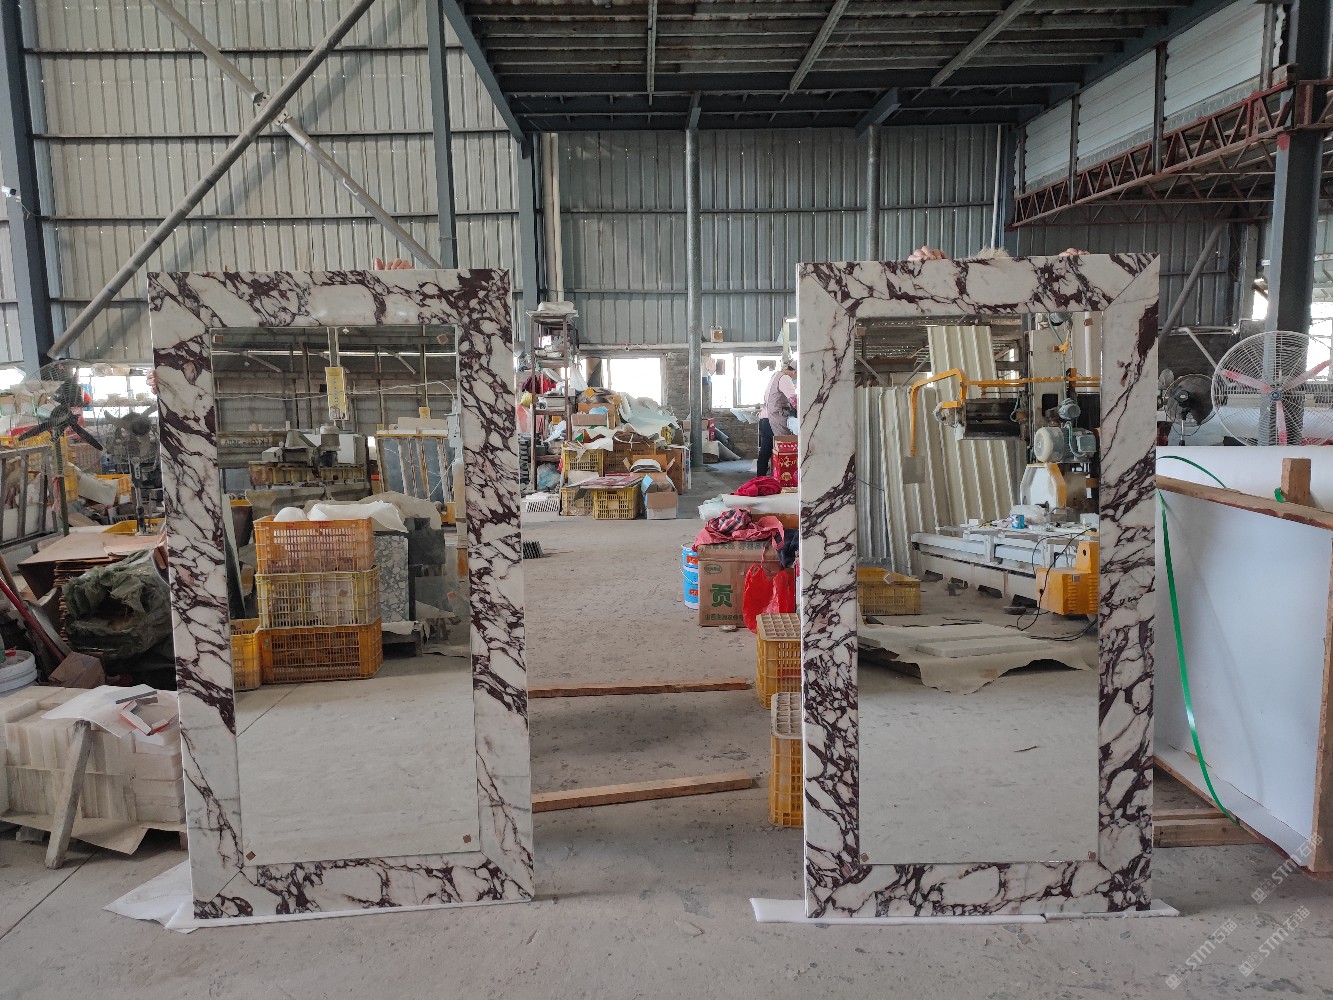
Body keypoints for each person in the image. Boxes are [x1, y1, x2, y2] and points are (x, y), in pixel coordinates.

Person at [757, 360, 797, 478]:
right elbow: (794, 400)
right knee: (782, 453)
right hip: (773, 420)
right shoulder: (785, 378)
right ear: (794, 372)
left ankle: (761, 479)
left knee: (765, 453)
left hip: (765, 419)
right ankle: (781, 479)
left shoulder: (776, 375)